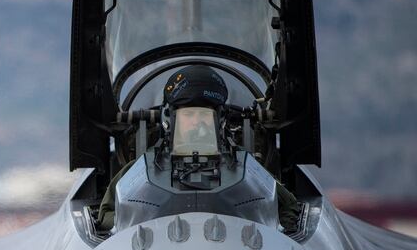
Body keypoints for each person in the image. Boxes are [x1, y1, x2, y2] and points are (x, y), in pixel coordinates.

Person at [98, 64, 301, 232]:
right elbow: (108, 215)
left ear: (219, 120)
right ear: (170, 119)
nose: (197, 123)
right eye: (189, 115)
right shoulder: (142, 168)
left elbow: (288, 207)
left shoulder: (245, 165)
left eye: (204, 115)